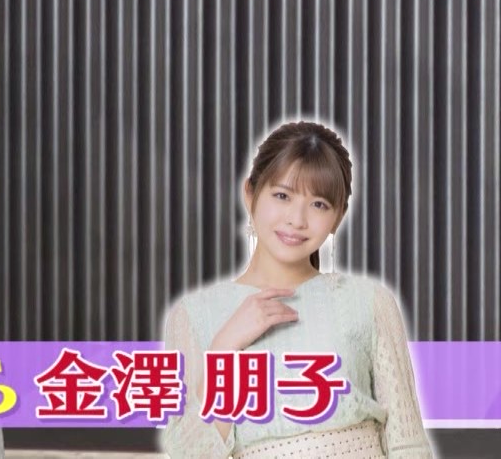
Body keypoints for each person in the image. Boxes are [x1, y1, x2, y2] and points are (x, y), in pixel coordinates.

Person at [160, 121, 432, 458]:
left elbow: (408, 444)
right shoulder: (194, 315)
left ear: (338, 216)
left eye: (319, 204)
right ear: (250, 194)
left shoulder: (369, 301)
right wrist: (225, 347)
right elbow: (190, 453)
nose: (297, 219)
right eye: (282, 196)